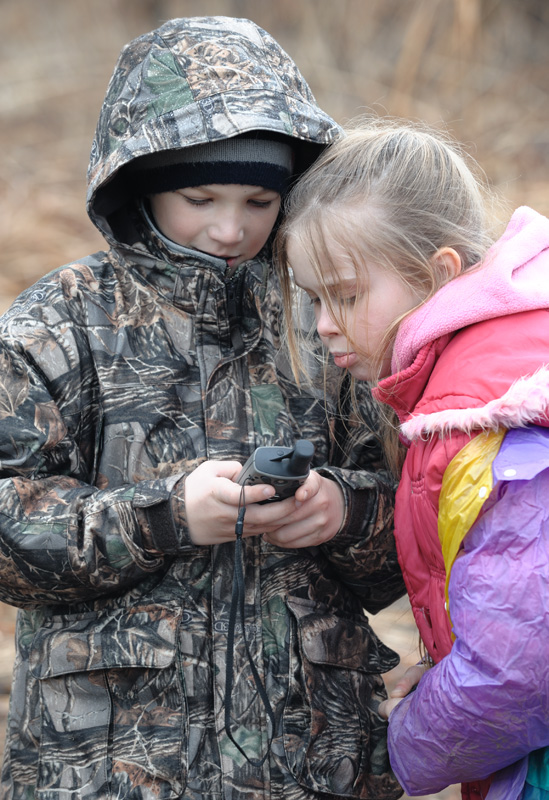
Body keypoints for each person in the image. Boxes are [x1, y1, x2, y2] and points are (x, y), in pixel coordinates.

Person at [0, 18, 406, 800]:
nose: (230, 227)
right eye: (199, 197)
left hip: (315, 767)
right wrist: (159, 518)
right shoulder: (57, 323)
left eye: (260, 199)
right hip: (99, 770)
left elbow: (421, 526)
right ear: (138, 183)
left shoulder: (332, 317)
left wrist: (344, 511)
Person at [277, 115, 549, 800]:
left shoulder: (488, 411)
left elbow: (518, 667)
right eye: (313, 298)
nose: (322, 325)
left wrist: (396, 750)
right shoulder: (493, 366)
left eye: (346, 294)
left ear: (438, 274)